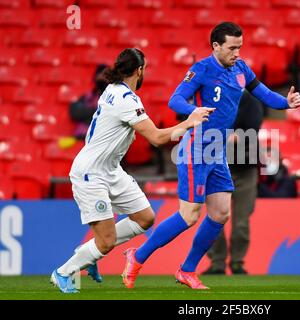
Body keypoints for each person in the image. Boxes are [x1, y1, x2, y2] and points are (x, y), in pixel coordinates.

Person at [121, 22, 300, 290]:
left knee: (219, 213)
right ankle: (138, 256)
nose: (237, 53)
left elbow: (263, 94)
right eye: (231, 48)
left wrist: (285, 102)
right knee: (189, 215)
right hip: (197, 148)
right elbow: (175, 100)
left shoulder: (241, 69)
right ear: (216, 46)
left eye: (239, 47)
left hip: (216, 152)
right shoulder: (202, 69)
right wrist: (193, 111)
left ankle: (187, 270)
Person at [50, 48, 214, 293]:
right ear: (139, 71)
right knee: (106, 242)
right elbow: (157, 139)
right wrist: (189, 122)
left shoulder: (112, 90)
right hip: (91, 173)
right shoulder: (127, 100)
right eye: (144, 68)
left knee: (145, 218)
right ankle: (63, 272)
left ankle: (91, 254)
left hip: (111, 170)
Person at [203, 90, 263, 275]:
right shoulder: (213, 98)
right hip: (218, 168)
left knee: (241, 222)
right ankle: (218, 262)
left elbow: (249, 133)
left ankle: (237, 262)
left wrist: (218, 135)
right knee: (215, 218)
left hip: (245, 168)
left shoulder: (250, 101)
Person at [69, 64, 108, 140]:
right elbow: (74, 113)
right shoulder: (87, 97)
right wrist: (95, 112)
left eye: (106, 76)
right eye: (100, 74)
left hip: (103, 140)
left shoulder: (115, 98)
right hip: (82, 138)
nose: (102, 78)